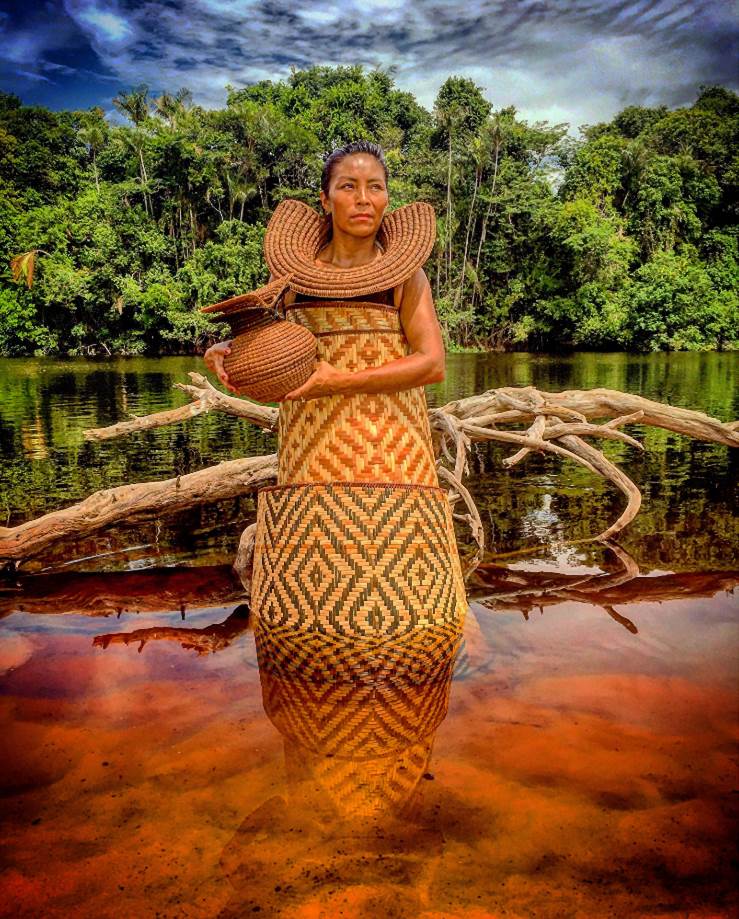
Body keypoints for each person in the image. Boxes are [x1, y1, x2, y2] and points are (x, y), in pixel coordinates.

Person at [204, 139, 468, 638]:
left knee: (415, 607)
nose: (363, 198)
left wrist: (337, 382)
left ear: (388, 199)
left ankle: (423, 659)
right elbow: (267, 349)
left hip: (396, 447)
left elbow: (432, 364)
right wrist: (226, 351)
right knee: (307, 604)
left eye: (375, 187)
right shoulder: (291, 281)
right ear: (326, 201)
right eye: (348, 187)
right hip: (312, 449)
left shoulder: (406, 278)